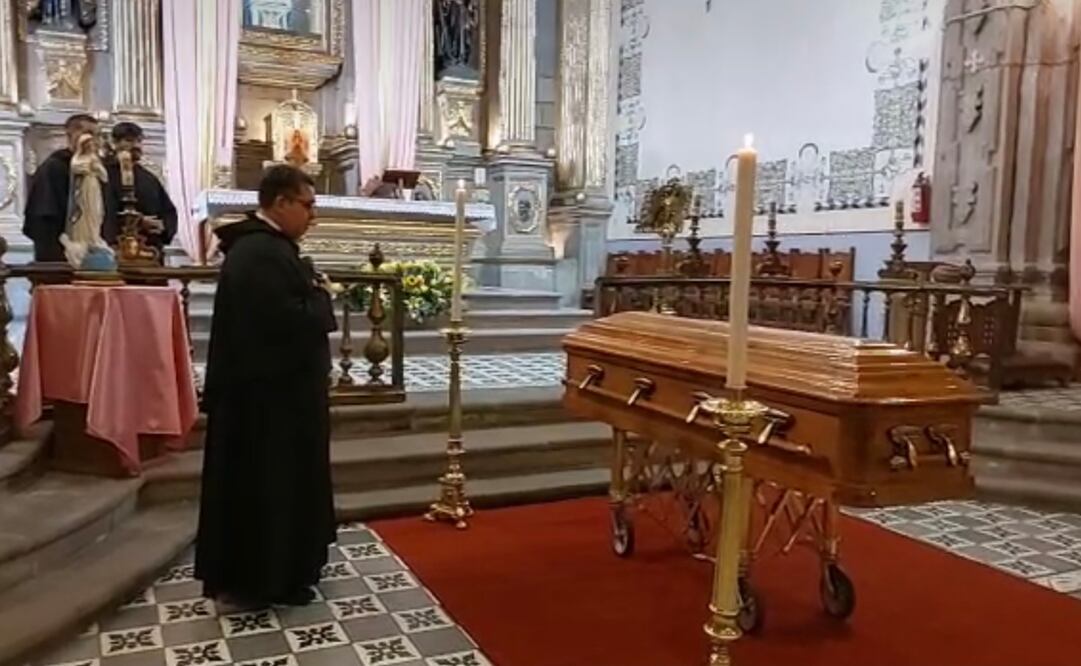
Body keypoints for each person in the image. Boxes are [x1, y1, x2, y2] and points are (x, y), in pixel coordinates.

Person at [195, 165, 337, 607]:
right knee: (271, 489)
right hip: (268, 405)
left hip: (274, 398)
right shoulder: (260, 253)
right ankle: (268, 579)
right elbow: (288, 322)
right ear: (281, 203)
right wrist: (321, 296)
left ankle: (279, 571)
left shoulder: (267, 249)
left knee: (277, 487)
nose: (313, 216)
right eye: (308, 205)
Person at [23, 113, 101, 262]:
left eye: (97, 135)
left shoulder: (96, 167)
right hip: (59, 244)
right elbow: (43, 211)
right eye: (88, 133)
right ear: (70, 135)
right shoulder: (54, 166)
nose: (93, 140)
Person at [103, 122, 178, 263]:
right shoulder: (103, 174)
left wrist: (163, 227)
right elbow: (103, 210)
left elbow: (168, 211)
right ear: (114, 143)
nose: (136, 146)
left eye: (139, 141)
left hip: (149, 251)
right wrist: (138, 222)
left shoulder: (149, 178)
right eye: (129, 141)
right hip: (116, 250)